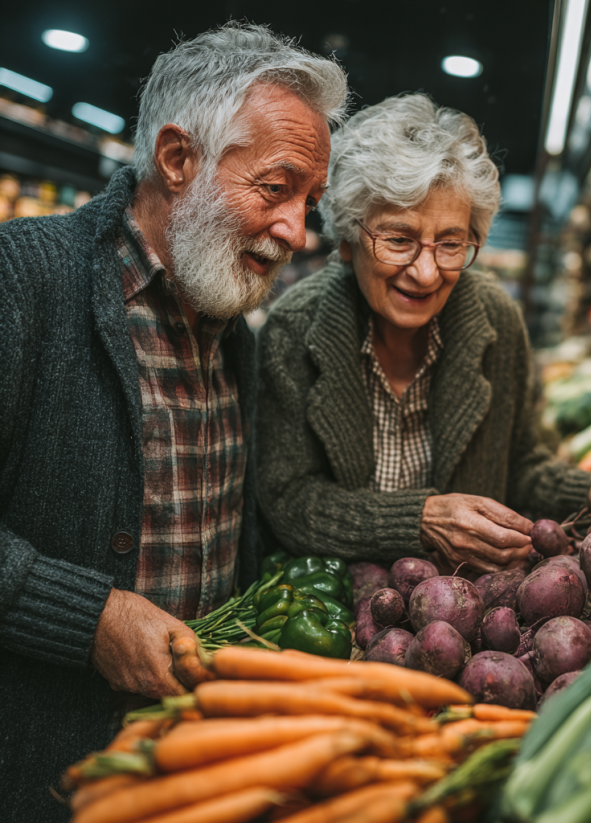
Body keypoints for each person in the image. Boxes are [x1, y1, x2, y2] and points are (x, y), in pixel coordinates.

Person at [0, 23, 347, 821]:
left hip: (190, 775)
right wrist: (87, 616)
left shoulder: (237, 337)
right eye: (275, 186)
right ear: (178, 158)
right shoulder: (25, 281)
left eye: (310, 203)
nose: (297, 232)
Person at [256, 94, 591, 575]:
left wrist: (590, 490)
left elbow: (520, 465)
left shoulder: (495, 318)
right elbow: (289, 501)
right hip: (337, 606)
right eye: (399, 240)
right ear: (347, 240)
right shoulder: (294, 330)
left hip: (472, 608)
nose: (427, 272)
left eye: (450, 243)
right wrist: (421, 520)